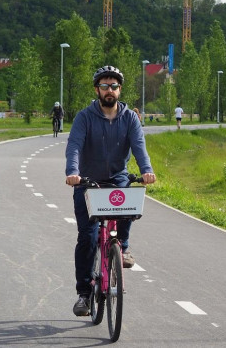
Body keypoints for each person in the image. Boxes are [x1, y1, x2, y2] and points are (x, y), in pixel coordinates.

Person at [65, 65, 157, 317]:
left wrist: (147, 170)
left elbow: (139, 147)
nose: (109, 90)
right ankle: (84, 294)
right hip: (87, 182)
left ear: (119, 90)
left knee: (128, 201)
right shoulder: (85, 117)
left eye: (114, 86)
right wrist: (72, 173)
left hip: (117, 178)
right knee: (87, 238)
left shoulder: (129, 118)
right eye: (104, 86)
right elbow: (74, 146)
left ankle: (122, 247)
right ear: (97, 89)